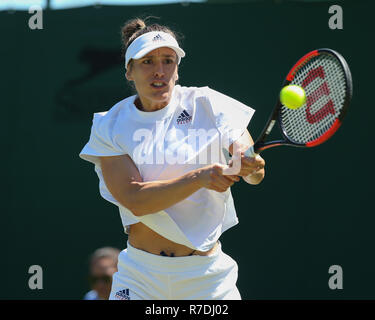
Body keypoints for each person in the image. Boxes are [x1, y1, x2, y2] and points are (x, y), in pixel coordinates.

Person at [79, 17, 265, 300]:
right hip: (140, 278)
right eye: (147, 62)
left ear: (177, 68)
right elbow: (135, 199)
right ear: (129, 71)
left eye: (168, 61)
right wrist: (199, 177)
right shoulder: (110, 124)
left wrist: (249, 164)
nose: (160, 71)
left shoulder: (209, 103)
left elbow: (251, 167)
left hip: (207, 279)